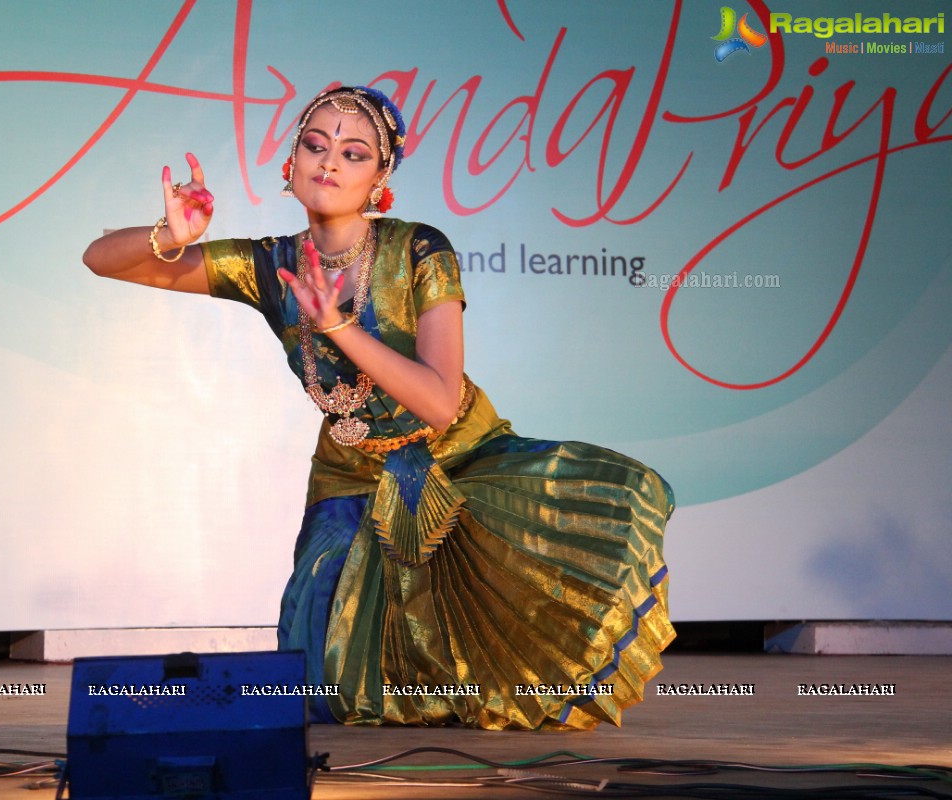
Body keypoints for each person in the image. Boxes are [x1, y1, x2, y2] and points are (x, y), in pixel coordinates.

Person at [83, 85, 674, 731]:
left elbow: (440, 402)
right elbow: (102, 260)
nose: (329, 163)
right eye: (315, 145)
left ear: (379, 178)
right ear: (291, 162)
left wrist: (338, 326)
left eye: (353, 152)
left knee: (509, 627)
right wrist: (170, 234)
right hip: (351, 467)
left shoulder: (419, 248)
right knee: (319, 676)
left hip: (458, 456)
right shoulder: (270, 264)